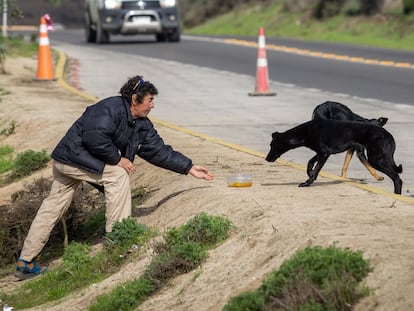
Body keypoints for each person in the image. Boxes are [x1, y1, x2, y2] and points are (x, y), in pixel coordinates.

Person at [15, 75, 213, 280]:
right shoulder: (110, 108)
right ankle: (119, 238)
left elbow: (158, 151)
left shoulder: (141, 123)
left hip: (72, 161)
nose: (153, 105)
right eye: (150, 100)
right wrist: (117, 160)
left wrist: (188, 167)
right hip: (73, 158)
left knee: (52, 207)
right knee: (117, 175)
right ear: (135, 99)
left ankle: (25, 262)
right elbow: (95, 138)